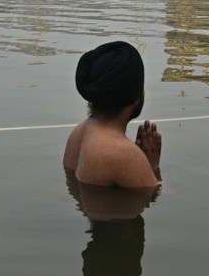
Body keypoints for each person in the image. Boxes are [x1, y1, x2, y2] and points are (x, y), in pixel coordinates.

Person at [63, 41, 162, 189]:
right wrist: (152, 167)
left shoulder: (78, 133)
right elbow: (162, 198)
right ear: (135, 97)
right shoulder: (123, 154)